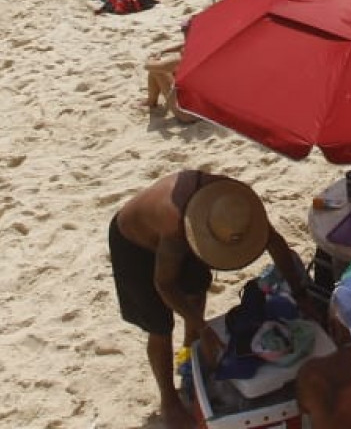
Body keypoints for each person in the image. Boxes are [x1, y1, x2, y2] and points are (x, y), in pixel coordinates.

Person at [108, 172, 317, 428]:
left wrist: (300, 292)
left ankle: (189, 355)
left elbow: (275, 243)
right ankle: (169, 400)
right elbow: (164, 285)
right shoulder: (175, 228)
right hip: (133, 242)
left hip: (187, 227)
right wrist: (203, 327)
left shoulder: (237, 202)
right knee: (160, 326)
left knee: (196, 290)